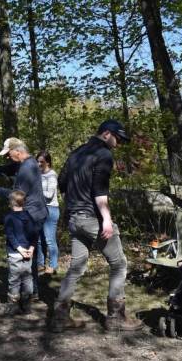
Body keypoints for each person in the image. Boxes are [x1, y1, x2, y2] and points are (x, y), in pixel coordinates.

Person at [49, 119, 143, 332]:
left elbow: (62, 184)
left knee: (76, 266)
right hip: (91, 219)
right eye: (117, 137)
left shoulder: (76, 153)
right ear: (107, 134)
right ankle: (116, 318)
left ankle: (60, 317)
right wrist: (107, 220)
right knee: (119, 264)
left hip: (74, 219)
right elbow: (100, 191)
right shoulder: (104, 155)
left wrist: (74, 205)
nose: (118, 142)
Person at [0, 138, 47, 297]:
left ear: (17, 151)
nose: (7, 157)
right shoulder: (22, 163)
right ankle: (31, 291)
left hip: (32, 215)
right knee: (28, 254)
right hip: (32, 213)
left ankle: (30, 293)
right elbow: (0, 169)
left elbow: (17, 196)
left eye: (8, 153)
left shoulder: (27, 168)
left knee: (26, 254)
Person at [3, 190, 39, 314]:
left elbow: (10, 235)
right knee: (27, 278)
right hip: (27, 252)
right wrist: (31, 249)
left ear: (10, 203)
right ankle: (27, 306)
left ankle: (13, 306)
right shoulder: (29, 216)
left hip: (15, 253)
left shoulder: (9, 217)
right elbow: (35, 234)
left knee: (14, 280)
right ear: (24, 202)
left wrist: (19, 249)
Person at [36, 151, 60, 275]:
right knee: (40, 240)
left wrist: (35, 191)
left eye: (42, 162)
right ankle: (40, 264)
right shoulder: (37, 174)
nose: (39, 164)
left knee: (49, 239)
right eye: (38, 161)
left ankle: (53, 265)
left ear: (48, 162)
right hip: (40, 210)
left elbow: (49, 195)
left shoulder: (52, 175)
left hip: (51, 210)